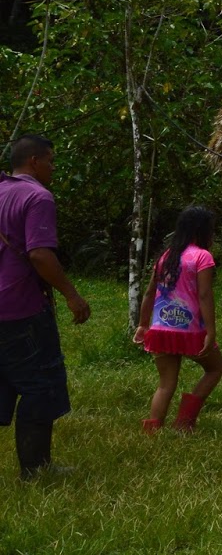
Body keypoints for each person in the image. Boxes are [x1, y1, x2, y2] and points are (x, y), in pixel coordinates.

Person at [0, 134, 91, 479]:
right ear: (35, 161)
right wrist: (72, 294)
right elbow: (40, 254)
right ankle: (36, 469)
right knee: (41, 385)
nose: (53, 168)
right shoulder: (38, 196)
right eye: (51, 161)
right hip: (20, 308)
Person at [135, 206, 222, 433]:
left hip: (160, 329)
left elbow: (148, 293)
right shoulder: (202, 256)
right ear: (202, 231)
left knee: (166, 384)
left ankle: (152, 431)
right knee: (215, 368)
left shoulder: (166, 256)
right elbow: (204, 295)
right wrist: (211, 331)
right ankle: (184, 422)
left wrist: (143, 325)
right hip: (190, 330)